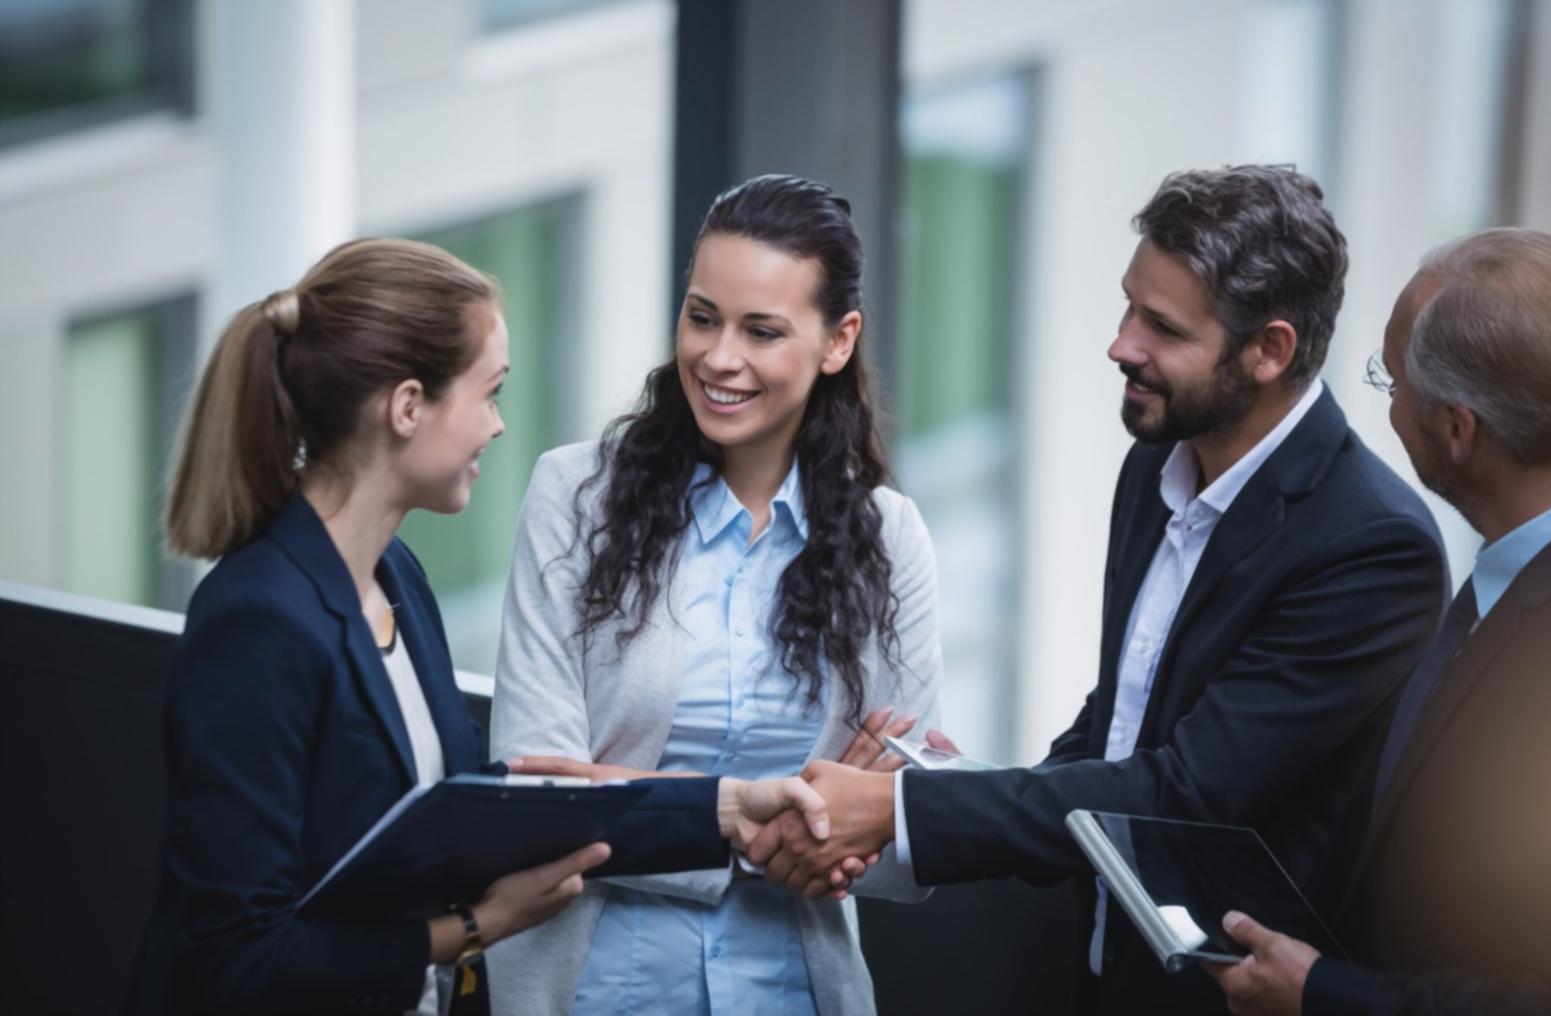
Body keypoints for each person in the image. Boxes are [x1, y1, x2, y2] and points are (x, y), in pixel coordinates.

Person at [748, 165, 1450, 1014]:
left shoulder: (1372, 546)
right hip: (1100, 971)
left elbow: (1181, 797)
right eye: (1130, 306)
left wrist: (908, 811)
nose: (1122, 343)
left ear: (1269, 351)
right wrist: (957, 783)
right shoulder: (1157, 460)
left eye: (1162, 327)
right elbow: (1122, 719)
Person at [124, 238, 832, 1016]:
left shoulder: (395, 575)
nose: (496, 426)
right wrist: (475, 927)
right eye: (488, 393)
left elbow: (473, 811)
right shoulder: (257, 620)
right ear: (406, 407)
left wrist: (729, 808)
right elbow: (236, 956)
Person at [487, 174, 943, 1016]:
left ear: (838, 341)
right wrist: (756, 818)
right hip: (593, 988)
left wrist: (637, 794)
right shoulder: (574, 497)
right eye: (702, 317)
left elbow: (899, 836)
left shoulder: (890, 538)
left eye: (762, 331)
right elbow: (537, 801)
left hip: (797, 992)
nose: (718, 357)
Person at [1209, 228, 1551, 1015]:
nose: (1387, 403)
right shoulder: (1521, 577)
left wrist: (1322, 993)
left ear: (1457, 429)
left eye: (1392, 381)